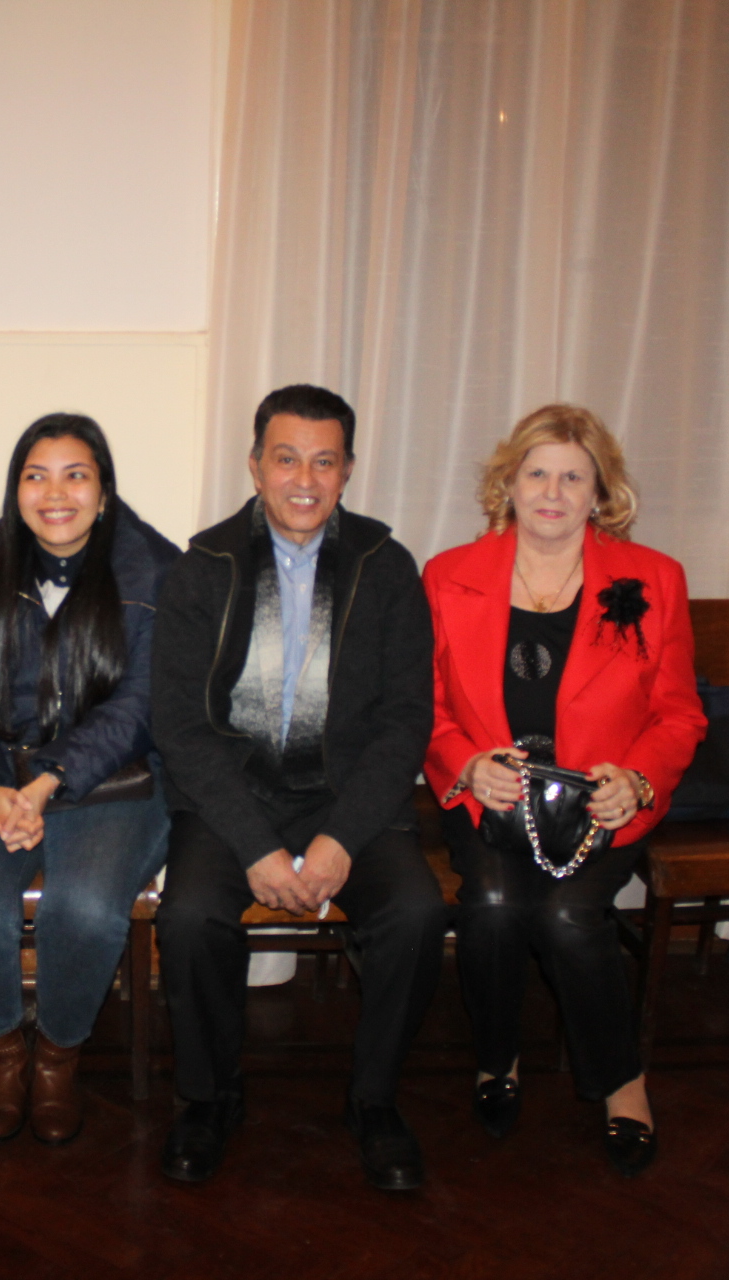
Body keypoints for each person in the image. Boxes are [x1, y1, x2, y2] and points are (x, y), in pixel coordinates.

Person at [151, 384, 448, 1191]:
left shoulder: (387, 567)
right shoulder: (203, 567)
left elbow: (405, 721)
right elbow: (179, 725)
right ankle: (210, 1098)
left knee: (417, 915)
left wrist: (341, 838)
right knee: (188, 919)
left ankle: (374, 1101)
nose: (305, 480)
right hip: (232, 797)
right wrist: (255, 845)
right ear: (256, 466)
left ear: (348, 470)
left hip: (349, 799)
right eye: (287, 459)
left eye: (324, 462)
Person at [422, 403, 707, 1178]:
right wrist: (466, 764)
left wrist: (638, 781)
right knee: (490, 905)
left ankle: (621, 1082)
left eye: (573, 477)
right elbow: (426, 706)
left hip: (599, 805)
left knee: (568, 915)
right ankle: (497, 1057)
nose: (552, 492)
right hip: (494, 799)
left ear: (600, 492)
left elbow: (680, 713)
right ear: (508, 484)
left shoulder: (654, 579)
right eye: (538, 473)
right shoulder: (447, 575)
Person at [0, 413, 178, 1145]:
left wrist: (47, 782)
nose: (55, 493)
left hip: (114, 778)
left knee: (87, 910)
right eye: (36, 476)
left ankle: (58, 1056)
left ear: (104, 490)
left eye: (76, 475)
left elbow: (142, 704)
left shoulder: (155, 567)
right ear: (16, 489)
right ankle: (3, 1053)